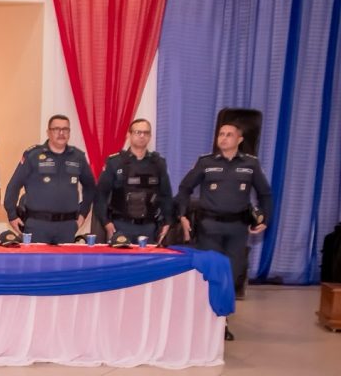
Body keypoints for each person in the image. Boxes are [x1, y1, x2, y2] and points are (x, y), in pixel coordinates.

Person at [176, 120, 272, 340]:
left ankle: (222, 320)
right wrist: (182, 215)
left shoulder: (250, 164)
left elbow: (265, 194)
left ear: (239, 140)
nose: (223, 138)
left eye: (229, 135)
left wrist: (265, 218)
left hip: (237, 230)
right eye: (221, 134)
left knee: (231, 275)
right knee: (211, 274)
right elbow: (184, 188)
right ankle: (206, 320)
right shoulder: (206, 162)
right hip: (209, 227)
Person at [3, 114, 96, 245]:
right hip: (37, 226)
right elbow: (14, 185)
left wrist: (82, 215)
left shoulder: (78, 157)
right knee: (37, 264)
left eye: (65, 129)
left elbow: (90, 187)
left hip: (67, 227)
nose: (61, 133)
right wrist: (12, 215)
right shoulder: (33, 155)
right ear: (48, 132)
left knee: (65, 265)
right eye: (56, 129)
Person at [94, 118, 174, 245]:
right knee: (121, 263)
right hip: (121, 226)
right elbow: (100, 195)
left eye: (146, 133)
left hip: (149, 227)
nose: (142, 136)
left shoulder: (158, 163)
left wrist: (168, 222)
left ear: (150, 136)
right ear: (129, 135)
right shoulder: (115, 162)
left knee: (147, 264)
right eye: (138, 132)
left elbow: (166, 195)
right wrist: (106, 223)